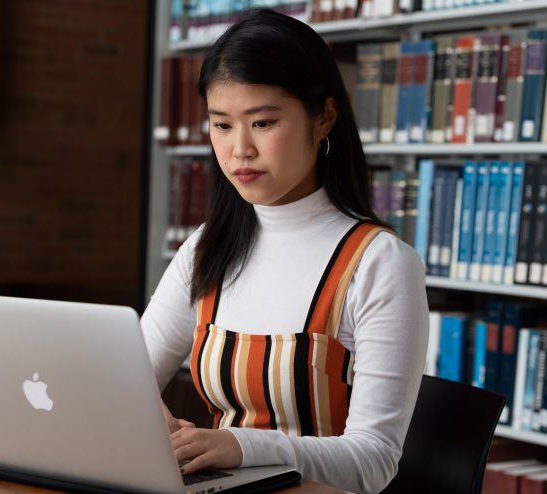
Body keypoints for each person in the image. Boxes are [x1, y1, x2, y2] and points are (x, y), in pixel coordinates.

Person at [140, 8, 429, 494]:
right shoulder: (207, 247)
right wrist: (151, 425)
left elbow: (375, 461)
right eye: (222, 125)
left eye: (263, 122)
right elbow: (130, 376)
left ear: (324, 118)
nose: (239, 151)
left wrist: (244, 445)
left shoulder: (379, 263)